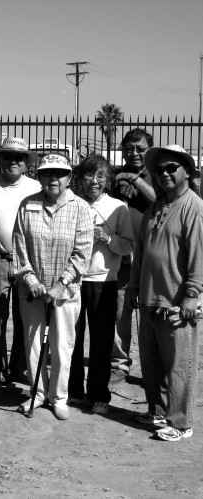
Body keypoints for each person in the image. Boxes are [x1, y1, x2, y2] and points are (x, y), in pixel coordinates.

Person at [128, 144, 203, 442]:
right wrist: (136, 287)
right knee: (152, 360)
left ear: (186, 171)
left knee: (179, 364)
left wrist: (192, 294)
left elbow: (199, 254)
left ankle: (181, 422)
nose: (165, 174)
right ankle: (158, 410)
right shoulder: (155, 207)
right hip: (150, 297)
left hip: (176, 300)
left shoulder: (193, 206)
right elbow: (142, 252)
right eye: (159, 169)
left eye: (172, 168)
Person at [12, 154, 93, 420]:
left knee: (61, 346)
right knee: (33, 344)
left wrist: (62, 283)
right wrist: (31, 281)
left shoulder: (80, 207)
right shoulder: (27, 205)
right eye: (47, 173)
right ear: (40, 177)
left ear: (70, 177)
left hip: (65, 293)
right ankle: (36, 394)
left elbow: (83, 252)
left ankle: (58, 396)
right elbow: (19, 249)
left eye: (60, 173)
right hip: (32, 291)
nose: (53, 178)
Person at [68, 155, 134, 414]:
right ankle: (73, 391)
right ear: (79, 179)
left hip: (103, 279)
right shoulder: (72, 203)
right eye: (88, 176)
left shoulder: (118, 207)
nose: (94, 182)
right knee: (71, 337)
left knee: (102, 339)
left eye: (100, 177)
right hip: (73, 279)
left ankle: (98, 395)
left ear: (107, 181)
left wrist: (108, 238)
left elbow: (128, 244)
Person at [0, 137, 40, 387]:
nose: (12, 161)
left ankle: (18, 368)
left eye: (18, 157)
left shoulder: (37, 188)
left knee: (25, 318)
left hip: (28, 262)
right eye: (7, 156)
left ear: (26, 163)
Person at [109, 128, 156, 383]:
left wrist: (135, 180)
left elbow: (158, 200)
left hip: (153, 256)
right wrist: (122, 181)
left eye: (140, 148)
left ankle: (152, 368)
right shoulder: (115, 177)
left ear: (149, 149)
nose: (135, 153)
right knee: (120, 311)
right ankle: (119, 363)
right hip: (123, 256)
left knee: (151, 313)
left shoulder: (160, 173)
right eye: (129, 148)